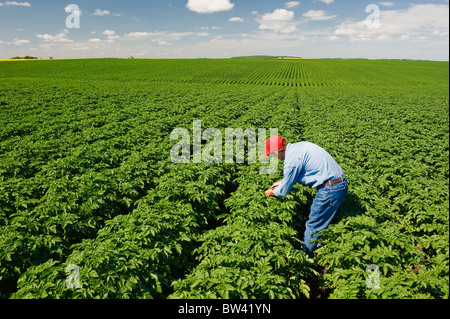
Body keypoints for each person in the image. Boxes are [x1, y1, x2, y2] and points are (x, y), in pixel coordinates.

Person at [264, 135, 348, 257]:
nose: (274, 157)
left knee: (314, 223)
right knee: (322, 220)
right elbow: (298, 171)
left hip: (331, 188)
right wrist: (283, 182)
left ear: (277, 151)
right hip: (339, 183)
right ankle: (318, 245)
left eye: (272, 154)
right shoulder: (299, 146)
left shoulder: (291, 161)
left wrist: (271, 193)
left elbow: (282, 192)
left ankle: (305, 256)